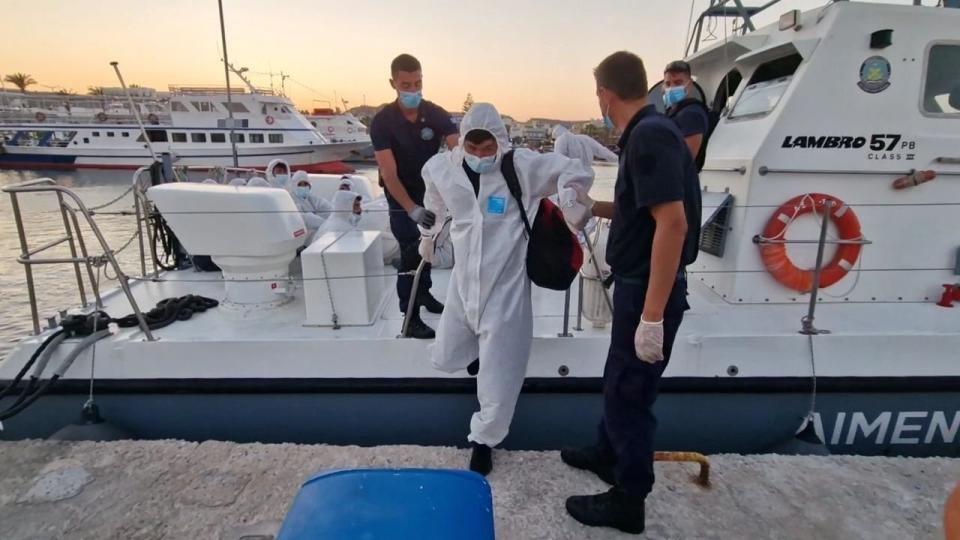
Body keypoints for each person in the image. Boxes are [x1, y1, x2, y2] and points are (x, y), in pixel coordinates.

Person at [561, 51, 701, 535]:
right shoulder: (651, 131)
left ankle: (629, 498)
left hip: (647, 290)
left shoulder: (649, 137)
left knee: (631, 393)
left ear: (604, 92)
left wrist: (653, 316)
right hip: (638, 286)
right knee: (618, 379)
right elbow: (642, 210)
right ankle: (608, 453)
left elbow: (673, 223)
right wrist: (590, 206)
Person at [418, 103, 593, 476]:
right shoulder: (442, 169)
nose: (481, 156)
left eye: (488, 149)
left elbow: (574, 170)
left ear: (500, 142)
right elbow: (432, 201)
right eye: (473, 148)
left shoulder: (522, 167)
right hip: (463, 284)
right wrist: (428, 235)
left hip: (507, 288)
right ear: (462, 143)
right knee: (446, 356)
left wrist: (570, 196)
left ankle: (484, 441)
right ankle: (477, 354)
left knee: (500, 376)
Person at [370, 53, 459, 339]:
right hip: (400, 194)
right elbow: (389, 173)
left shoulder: (434, 113)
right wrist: (411, 209)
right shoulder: (383, 121)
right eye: (406, 84)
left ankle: (426, 295)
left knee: (429, 244)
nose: (413, 90)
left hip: (429, 190)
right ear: (393, 83)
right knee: (410, 251)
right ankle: (409, 318)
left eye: (417, 83)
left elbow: (458, 149)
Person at [662, 60, 710, 167]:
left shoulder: (692, 115)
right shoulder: (672, 112)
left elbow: (684, 161)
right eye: (668, 84)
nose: (672, 88)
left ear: (689, 84)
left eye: (678, 82)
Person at [290, 170, 333, 241]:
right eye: (300, 184)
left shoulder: (311, 198)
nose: (303, 187)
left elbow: (328, 208)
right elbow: (305, 218)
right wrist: (326, 224)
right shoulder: (291, 200)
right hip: (303, 238)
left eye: (305, 184)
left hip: (318, 232)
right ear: (294, 185)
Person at [552, 125, 619, 170]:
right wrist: (620, 160)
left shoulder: (560, 139)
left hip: (568, 176)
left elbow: (558, 160)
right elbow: (602, 151)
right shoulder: (585, 138)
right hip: (586, 177)